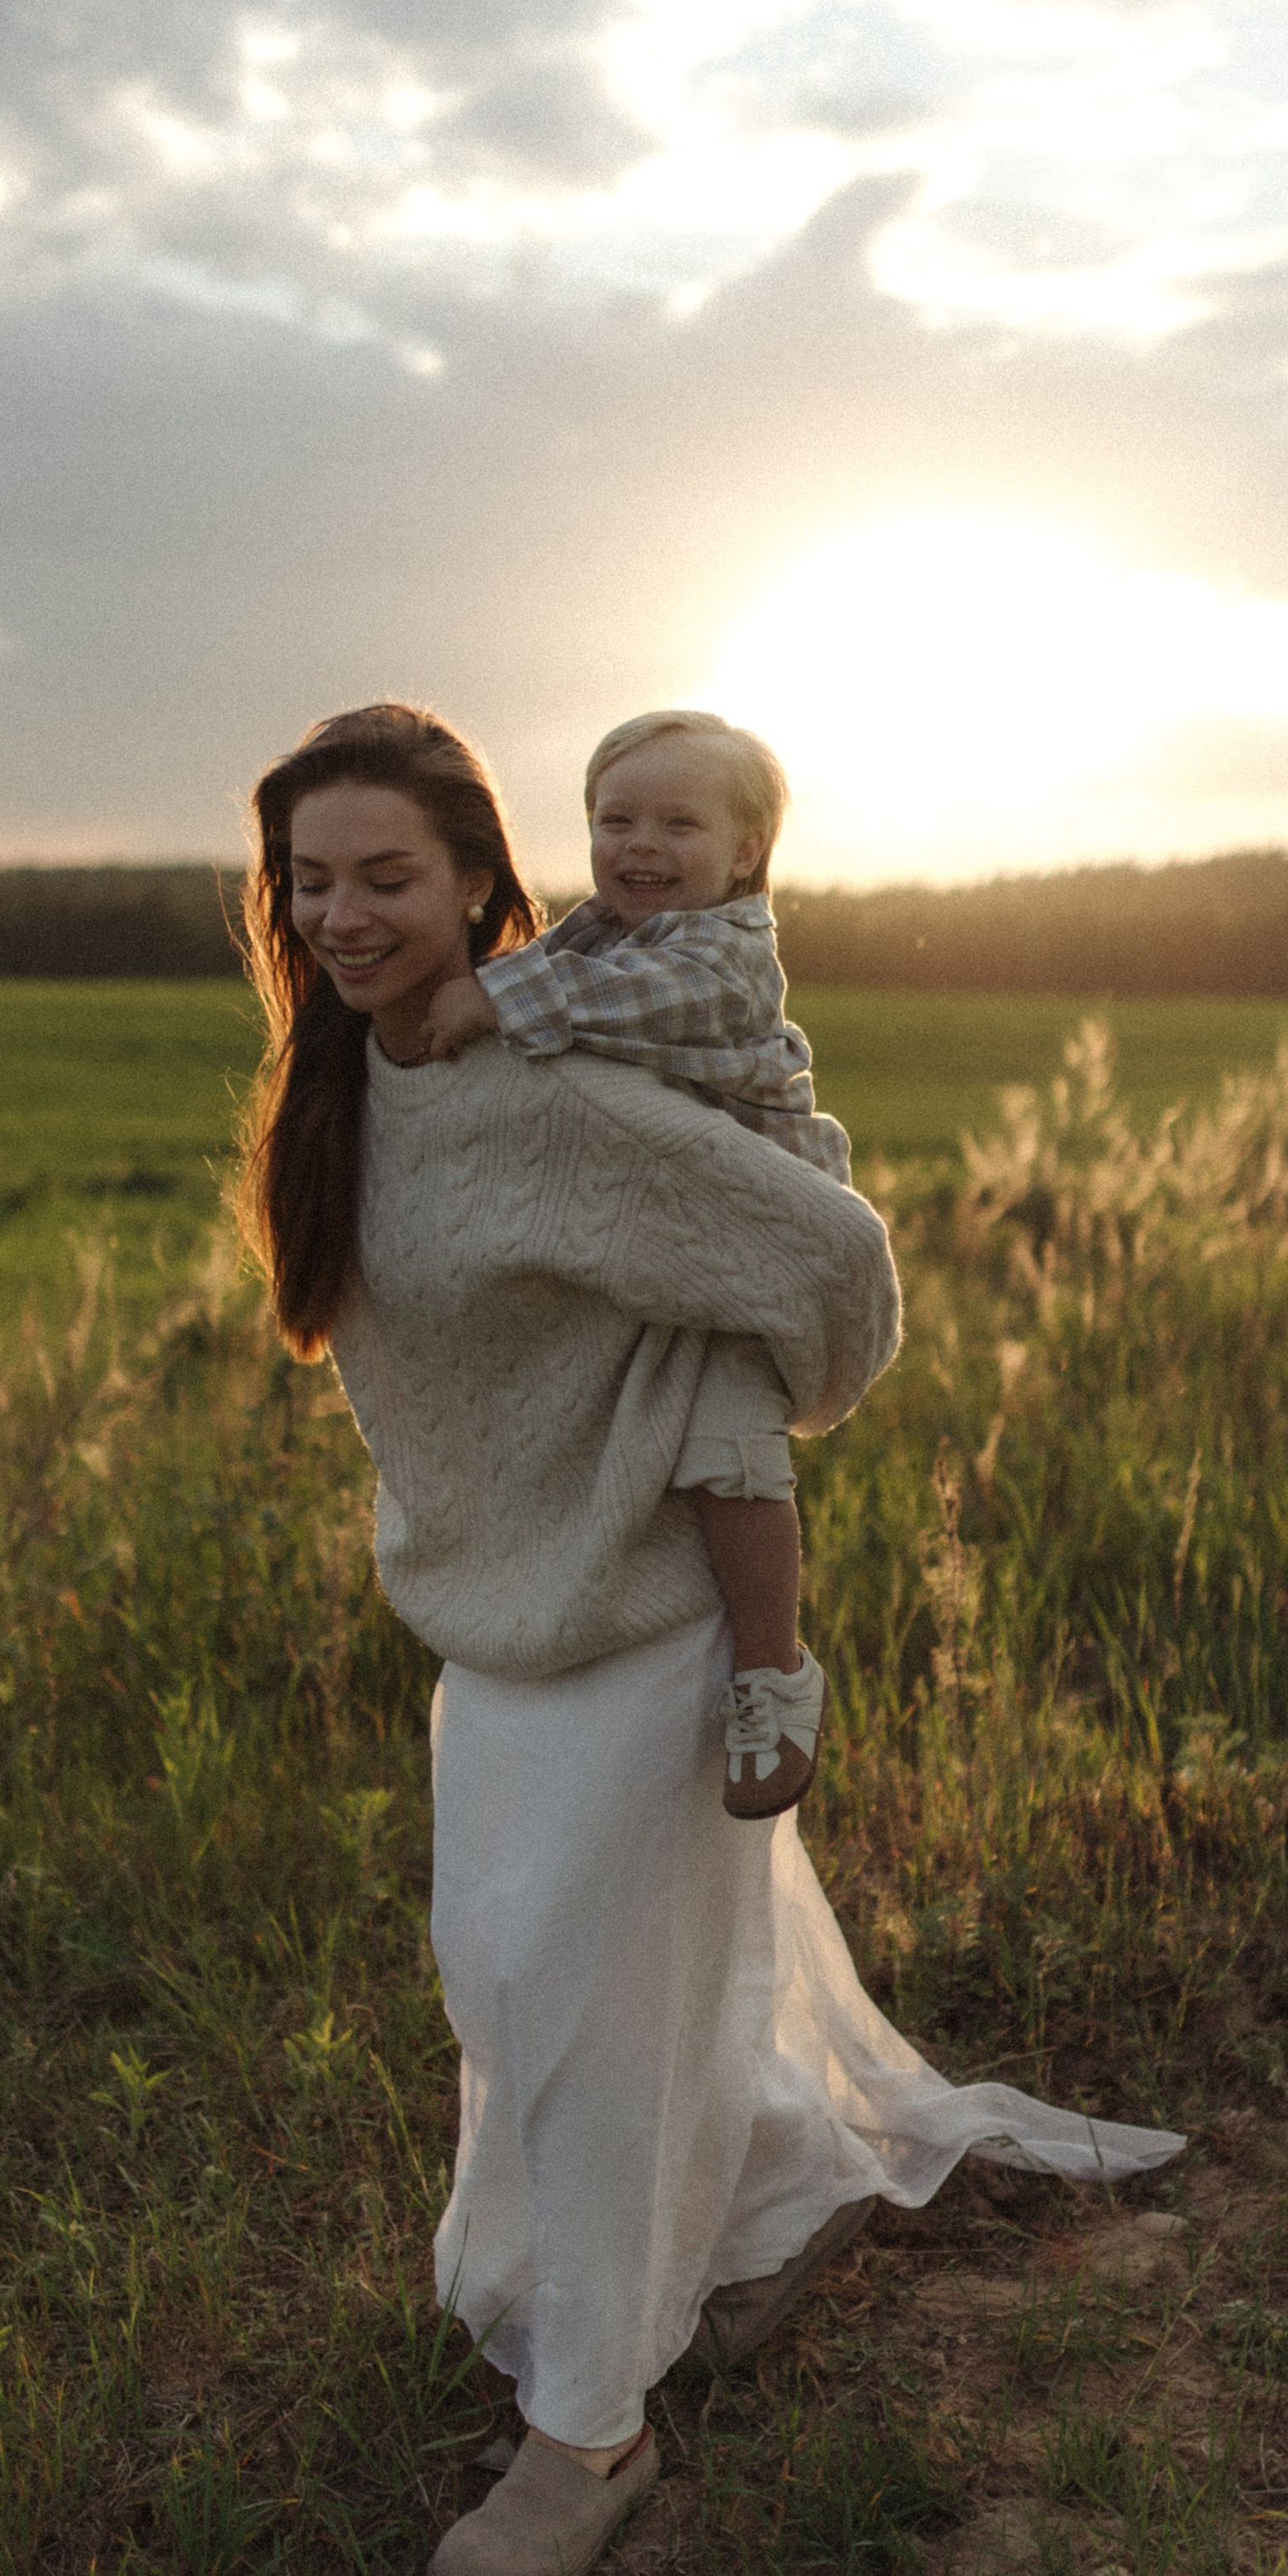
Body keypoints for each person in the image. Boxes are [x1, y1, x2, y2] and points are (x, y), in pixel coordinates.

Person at [238, 700, 1183, 2576]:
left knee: (581, 2029)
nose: (341, 913)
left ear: (483, 885)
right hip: (493, 1631)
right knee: (518, 1996)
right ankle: (769, 2212)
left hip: (641, 1630)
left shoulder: (553, 1091)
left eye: (385, 876)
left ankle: (592, 2430)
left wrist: (738, 1402)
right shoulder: (351, 1084)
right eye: (308, 878)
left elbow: (830, 1263)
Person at [414, 707, 840, 1823]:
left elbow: (619, 1006)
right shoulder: (601, 929)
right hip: (655, 1237)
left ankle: (769, 1673)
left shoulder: (724, 954)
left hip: (753, 1241)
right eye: (617, 820)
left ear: (744, 854)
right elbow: (556, 969)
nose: (640, 845)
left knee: (729, 1454)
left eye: (677, 824)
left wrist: (488, 1000)